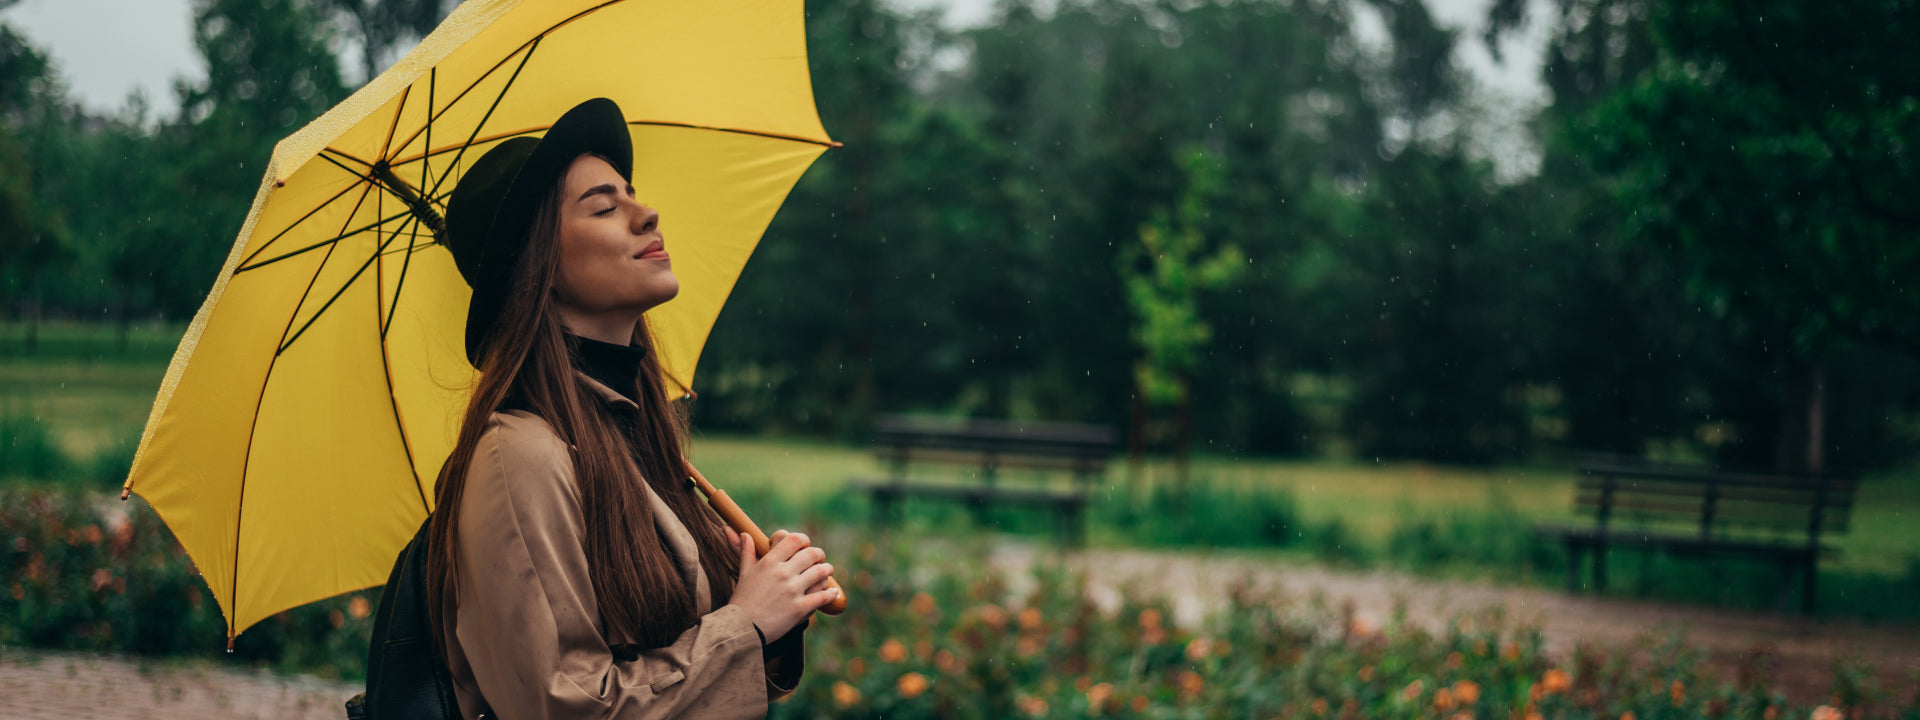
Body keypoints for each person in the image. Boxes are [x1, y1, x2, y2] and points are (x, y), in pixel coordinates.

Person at [423, 98, 839, 720]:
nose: (647, 216)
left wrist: (763, 595)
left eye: (632, 194)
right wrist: (744, 625)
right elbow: (557, 706)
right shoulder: (521, 456)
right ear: (542, 265)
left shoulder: (627, 435)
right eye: (604, 206)